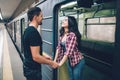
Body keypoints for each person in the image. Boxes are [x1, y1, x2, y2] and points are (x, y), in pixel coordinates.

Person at [22, 7, 58, 80]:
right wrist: (52, 63)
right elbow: (36, 57)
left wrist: (44, 57)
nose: (42, 18)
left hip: (28, 68)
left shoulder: (27, 30)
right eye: (41, 16)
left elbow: (31, 52)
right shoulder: (33, 33)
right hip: (33, 71)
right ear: (35, 17)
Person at [54, 16, 85, 80]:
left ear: (70, 23)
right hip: (69, 61)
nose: (63, 21)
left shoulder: (72, 35)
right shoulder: (62, 35)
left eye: (65, 20)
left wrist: (59, 64)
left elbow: (68, 52)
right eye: (63, 20)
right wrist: (54, 60)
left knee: (76, 78)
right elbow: (58, 48)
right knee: (71, 78)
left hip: (78, 61)